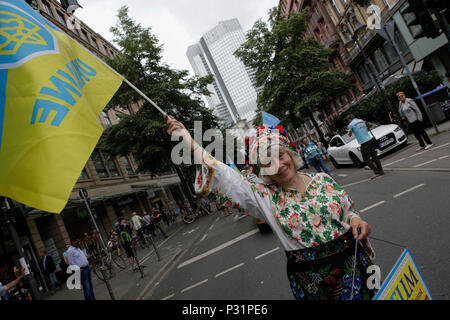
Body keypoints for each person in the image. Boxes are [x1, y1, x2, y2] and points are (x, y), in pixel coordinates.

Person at [166, 115, 376, 300]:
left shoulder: (323, 180)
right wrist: (187, 138)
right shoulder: (263, 196)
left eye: (280, 156)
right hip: (314, 282)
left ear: (290, 154)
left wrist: (356, 221)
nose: (278, 165)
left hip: (355, 265)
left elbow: (347, 212)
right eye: (268, 162)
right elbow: (222, 173)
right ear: (263, 170)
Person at [347, 114, 384, 179]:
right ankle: (381, 170)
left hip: (364, 143)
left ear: (349, 120)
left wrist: (349, 130)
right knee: (374, 156)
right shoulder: (361, 120)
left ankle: (377, 172)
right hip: (370, 139)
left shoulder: (351, 124)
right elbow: (370, 125)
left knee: (366, 159)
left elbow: (349, 135)